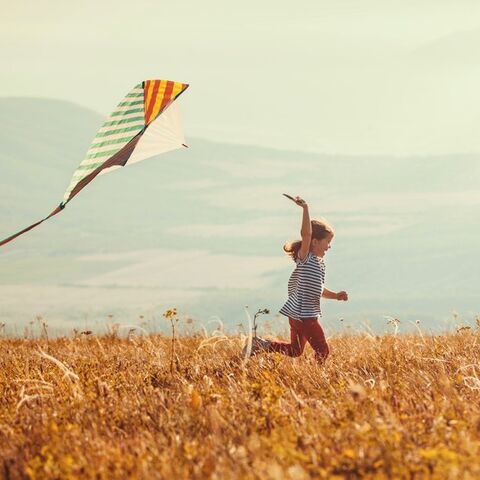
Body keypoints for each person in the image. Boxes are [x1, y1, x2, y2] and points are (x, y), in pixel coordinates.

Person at [244, 196, 348, 362]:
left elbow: (318, 289)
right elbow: (306, 234)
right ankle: (319, 381)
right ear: (314, 242)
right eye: (327, 241)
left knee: (295, 350)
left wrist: (335, 295)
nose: (330, 246)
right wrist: (305, 208)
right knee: (323, 351)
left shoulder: (320, 264)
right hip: (304, 316)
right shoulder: (306, 258)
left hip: (298, 315)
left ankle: (261, 345)